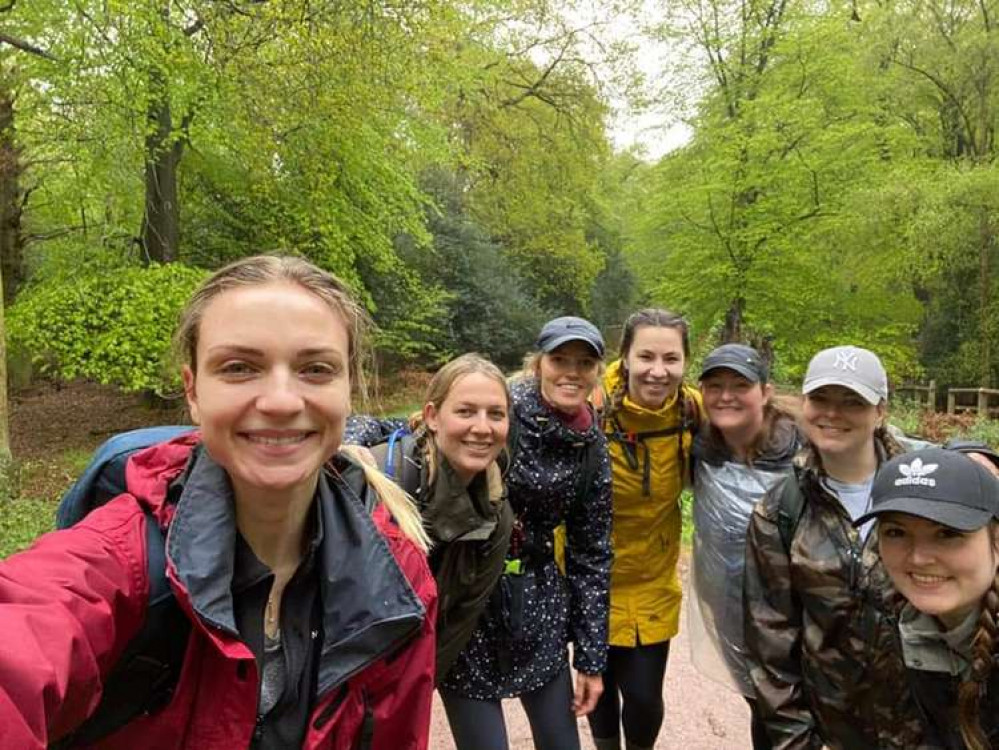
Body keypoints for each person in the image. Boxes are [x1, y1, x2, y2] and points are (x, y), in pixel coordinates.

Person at [0, 255, 438, 749]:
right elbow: (24, 637)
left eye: (315, 369)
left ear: (348, 388)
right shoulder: (121, 559)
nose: (280, 401)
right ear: (192, 390)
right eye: (238, 368)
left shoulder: (398, 577)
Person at [438, 316, 613, 750]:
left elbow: (591, 553)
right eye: (559, 359)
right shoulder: (499, 412)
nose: (571, 372)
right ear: (539, 363)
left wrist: (591, 659)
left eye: (585, 362)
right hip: (468, 597)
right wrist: (351, 436)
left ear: (597, 372)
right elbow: (428, 431)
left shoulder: (591, 445)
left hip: (539, 602)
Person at [743, 344, 926, 749]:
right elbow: (771, 648)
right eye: (821, 398)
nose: (833, 413)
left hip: (929, 730)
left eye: (852, 402)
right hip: (831, 734)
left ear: (880, 411)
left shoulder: (924, 496)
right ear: (804, 404)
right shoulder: (780, 510)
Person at [345, 353, 514, 681]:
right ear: (432, 417)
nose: (482, 428)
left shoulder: (497, 513)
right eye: (465, 411)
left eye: (496, 414)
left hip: (406, 687)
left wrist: (410, 694)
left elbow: (457, 624)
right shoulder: (377, 481)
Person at [588, 308, 703, 750]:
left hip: (653, 578)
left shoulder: (692, 411)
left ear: (684, 362)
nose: (658, 371)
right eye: (647, 357)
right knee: (597, 684)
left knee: (643, 695)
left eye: (671, 359)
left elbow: (753, 421)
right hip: (592, 576)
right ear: (626, 357)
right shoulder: (591, 406)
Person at [688, 343, 802, 749]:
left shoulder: (803, 449)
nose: (725, 396)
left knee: (804, 710)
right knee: (762, 706)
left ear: (766, 391)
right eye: (714, 385)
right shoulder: (700, 445)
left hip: (795, 609)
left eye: (740, 384)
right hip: (730, 605)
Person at [856, 447, 999, 750]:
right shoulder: (885, 625)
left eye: (947, 533)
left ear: (996, 542)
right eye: (896, 532)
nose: (919, 558)